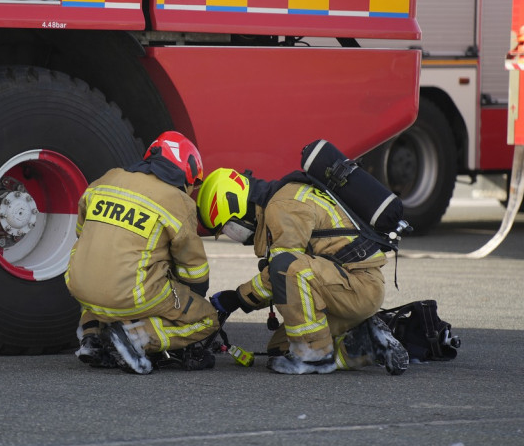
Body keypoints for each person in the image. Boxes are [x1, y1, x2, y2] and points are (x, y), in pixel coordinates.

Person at [195, 167, 408, 375]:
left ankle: (314, 356)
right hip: (344, 287)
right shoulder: (281, 200)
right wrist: (240, 299)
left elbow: (285, 270)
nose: (235, 237)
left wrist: (239, 298)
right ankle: (365, 344)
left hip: (358, 287)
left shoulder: (283, 205)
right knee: (280, 349)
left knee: (284, 267)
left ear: (238, 206)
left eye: (231, 229)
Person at [65, 131, 219, 374]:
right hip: (132, 294)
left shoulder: (106, 179)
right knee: (207, 318)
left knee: (101, 267)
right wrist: (193, 299)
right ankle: (138, 338)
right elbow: (193, 268)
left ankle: (93, 337)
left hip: (79, 285)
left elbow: (82, 234)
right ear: (187, 172)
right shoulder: (178, 201)